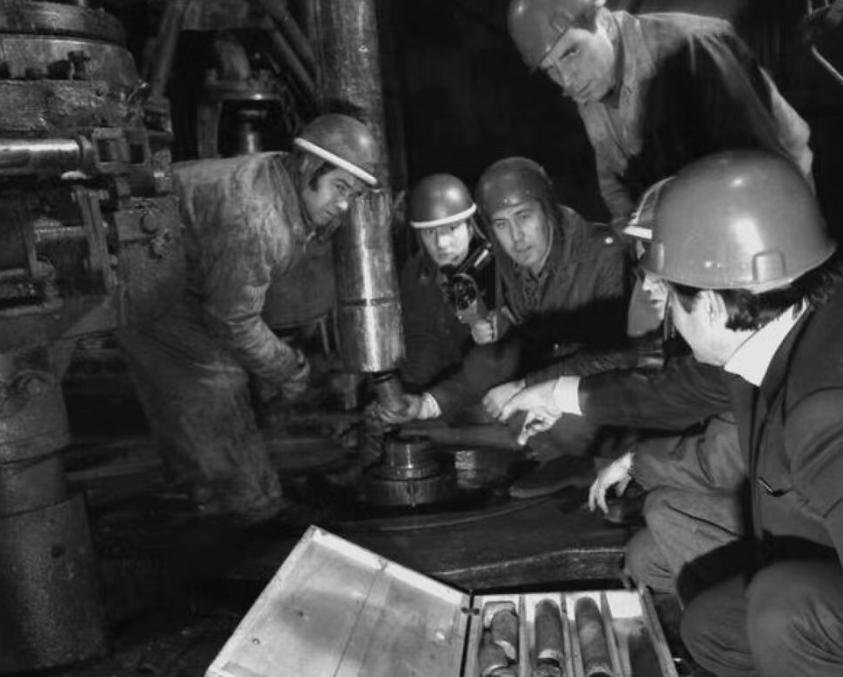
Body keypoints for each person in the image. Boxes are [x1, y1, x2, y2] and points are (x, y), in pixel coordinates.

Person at [495, 150, 843, 676]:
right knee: (711, 627)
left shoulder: (824, 411)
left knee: (781, 609)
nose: (658, 301)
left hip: (804, 587)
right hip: (808, 563)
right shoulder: (780, 328)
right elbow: (674, 390)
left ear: (713, 304)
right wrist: (557, 394)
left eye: (672, 294)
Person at [118, 113, 379, 521]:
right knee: (215, 382)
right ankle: (246, 512)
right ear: (309, 166)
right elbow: (232, 322)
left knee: (216, 382)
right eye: (340, 187)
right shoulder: (258, 220)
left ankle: (206, 489)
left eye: (355, 193)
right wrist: (289, 369)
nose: (344, 205)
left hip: (176, 267)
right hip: (141, 277)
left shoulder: (282, 173)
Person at [507, 0, 815, 336]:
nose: (566, 79)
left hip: (770, 232)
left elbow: (766, 176)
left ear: (604, 23)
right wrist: (645, 257)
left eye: (571, 53)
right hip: (690, 238)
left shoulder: (692, 49)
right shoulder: (591, 84)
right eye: (550, 69)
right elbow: (616, 182)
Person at [379, 157, 630, 493]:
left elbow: (616, 357)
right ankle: (560, 457)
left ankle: (593, 462)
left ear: (548, 210)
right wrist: (427, 403)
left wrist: (526, 386)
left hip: (622, 394)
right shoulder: (514, 269)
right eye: (501, 224)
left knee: (528, 409)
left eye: (524, 216)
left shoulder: (604, 254)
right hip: (563, 391)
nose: (516, 237)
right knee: (500, 393)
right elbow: (501, 355)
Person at [399, 174, 494, 392]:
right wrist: (413, 391)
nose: (441, 243)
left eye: (452, 228)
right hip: (442, 390)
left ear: (470, 229)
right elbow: (419, 337)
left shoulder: (497, 268)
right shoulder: (416, 273)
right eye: (430, 232)